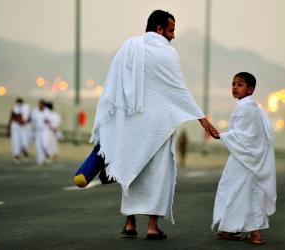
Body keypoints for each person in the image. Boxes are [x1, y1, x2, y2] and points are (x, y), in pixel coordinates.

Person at [90, 10, 218, 239]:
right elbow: (178, 90)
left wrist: (112, 122)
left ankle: (130, 224)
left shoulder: (128, 47)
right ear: (159, 29)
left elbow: (113, 86)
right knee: (158, 175)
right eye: (171, 30)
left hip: (129, 125)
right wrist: (202, 119)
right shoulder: (167, 53)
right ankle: (152, 226)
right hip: (158, 127)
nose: (173, 36)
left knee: (130, 171)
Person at [211, 72, 277, 245]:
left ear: (250, 89)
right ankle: (229, 229)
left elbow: (245, 136)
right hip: (250, 157)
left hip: (244, 158)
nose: (234, 87)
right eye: (233, 84)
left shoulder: (246, 108)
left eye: (239, 84)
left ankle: (251, 234)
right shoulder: (253, 107)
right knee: (245, 192)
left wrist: (222, 136)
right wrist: (226, 136)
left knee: (234, 190)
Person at [7, 98, 31, 165]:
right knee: (15, 143)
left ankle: (25, 154)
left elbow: (29, 118)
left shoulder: (26, 107)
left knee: (24, 144)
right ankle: (16, 157)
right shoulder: (15, 107)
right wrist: (8, 128)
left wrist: (24, 122)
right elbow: (12, 117)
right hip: (15, 127)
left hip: (24, 128)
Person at [31, 99, 51, 166]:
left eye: (42, 104)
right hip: (37, 131)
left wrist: (46, 121)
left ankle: (47, 154)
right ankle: (40, 160)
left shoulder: (47, 111)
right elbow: (33, 121)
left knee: (44, 144)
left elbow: (48, 120)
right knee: (38, 145)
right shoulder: (35, 111)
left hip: (44, 131)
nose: (40, 105)